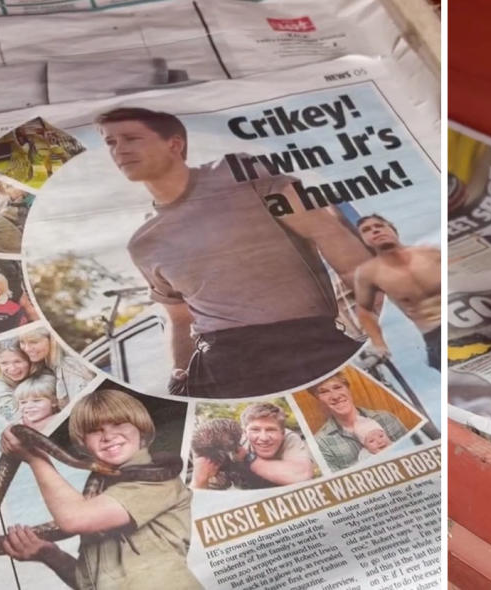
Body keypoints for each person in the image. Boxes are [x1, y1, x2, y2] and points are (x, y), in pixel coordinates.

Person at [95, 107, 374, 398]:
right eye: (111, 143)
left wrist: (375, 318)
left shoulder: (240, 173)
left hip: (313, 343)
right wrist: (180, 376)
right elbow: (179, 318)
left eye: (131, 138)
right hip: (226, 363)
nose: (120, 150)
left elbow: (326, 232)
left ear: (174, 144)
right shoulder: (144, 243)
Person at [0, 388, 201, 590]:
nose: (108, 436)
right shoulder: (101, 491)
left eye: (119, 423)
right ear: (83, 443)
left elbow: (74, 519)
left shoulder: (160, 481)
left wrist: (36, 458)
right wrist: (48, 553)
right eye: (94, 430)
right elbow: (94, 582)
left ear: (142, 429)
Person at [354, 214, 442, 370]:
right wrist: (379, 344)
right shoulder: (368, 273)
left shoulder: (431, 254)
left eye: (380, 226)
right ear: (363, 240)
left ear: (393, 230)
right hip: (434, 335)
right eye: (366, 230)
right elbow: (363, 310)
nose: (375, 231)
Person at [191, 402, 314, 490]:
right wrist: (199, 480)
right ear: (245, 433)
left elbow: (302, 475)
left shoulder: (289, 438)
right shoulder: (227, 448)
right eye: (255, 430)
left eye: (271, 430)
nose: (264, 438)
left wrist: (248, 458)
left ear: (282, 432)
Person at [310, 373, 408, 471]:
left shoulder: (385, 418)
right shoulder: (321, 442)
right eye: (324, 392)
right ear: (318, 398)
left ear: (348, 389)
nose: (335, 396)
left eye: (338, 387)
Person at [18, 326, 93, 405]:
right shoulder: (41, 366)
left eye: (34, 342)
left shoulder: (69, 366)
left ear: (51, 341)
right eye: (22, 342)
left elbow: (82, 406)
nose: (27, 349)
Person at [0, 338, 38, 420]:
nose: (12, 368)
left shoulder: (39, 376)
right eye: (4, 363)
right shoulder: (0, 391)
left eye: (18, 361)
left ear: (30, 360)